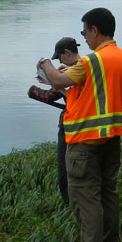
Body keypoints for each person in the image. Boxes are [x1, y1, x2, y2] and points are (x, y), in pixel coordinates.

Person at [39, 8, 122, 242]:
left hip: (84, 140)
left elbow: (58, 80)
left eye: (85, 32)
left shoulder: (92, 61)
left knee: (86, 198)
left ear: (94, 30)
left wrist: (44, 63)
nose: (85, 37)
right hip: (112, 136)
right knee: (108, 192)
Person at [28, 37, 81, 206]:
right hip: (89, 126)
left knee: (65, 170)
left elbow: (50, 95)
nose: (59, 62)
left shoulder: (73, 73)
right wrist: (53, 80)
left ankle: (70, 205)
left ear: (66, 53)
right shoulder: (86, 67)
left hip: (70, 126)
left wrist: (32, 90)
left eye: (59, 58)